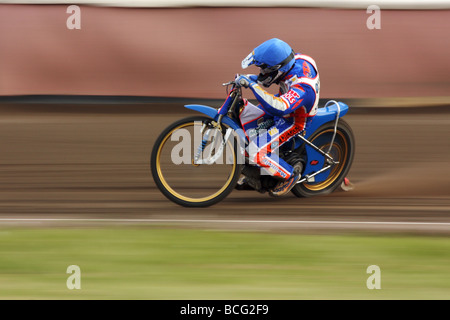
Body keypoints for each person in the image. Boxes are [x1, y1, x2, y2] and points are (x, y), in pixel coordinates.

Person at [235, 38, 320, 196]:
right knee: (246, 120)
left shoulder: (302, 86)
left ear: (278, 68)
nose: (261, 72)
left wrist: (252, 84)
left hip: (293, 121)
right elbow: (272, 74)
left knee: (255, 151)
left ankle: (289, 175)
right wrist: (250, 78)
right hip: (287, 102)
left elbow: (279, 107)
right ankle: (260, 173)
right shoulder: (292, 60)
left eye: (264, 69)